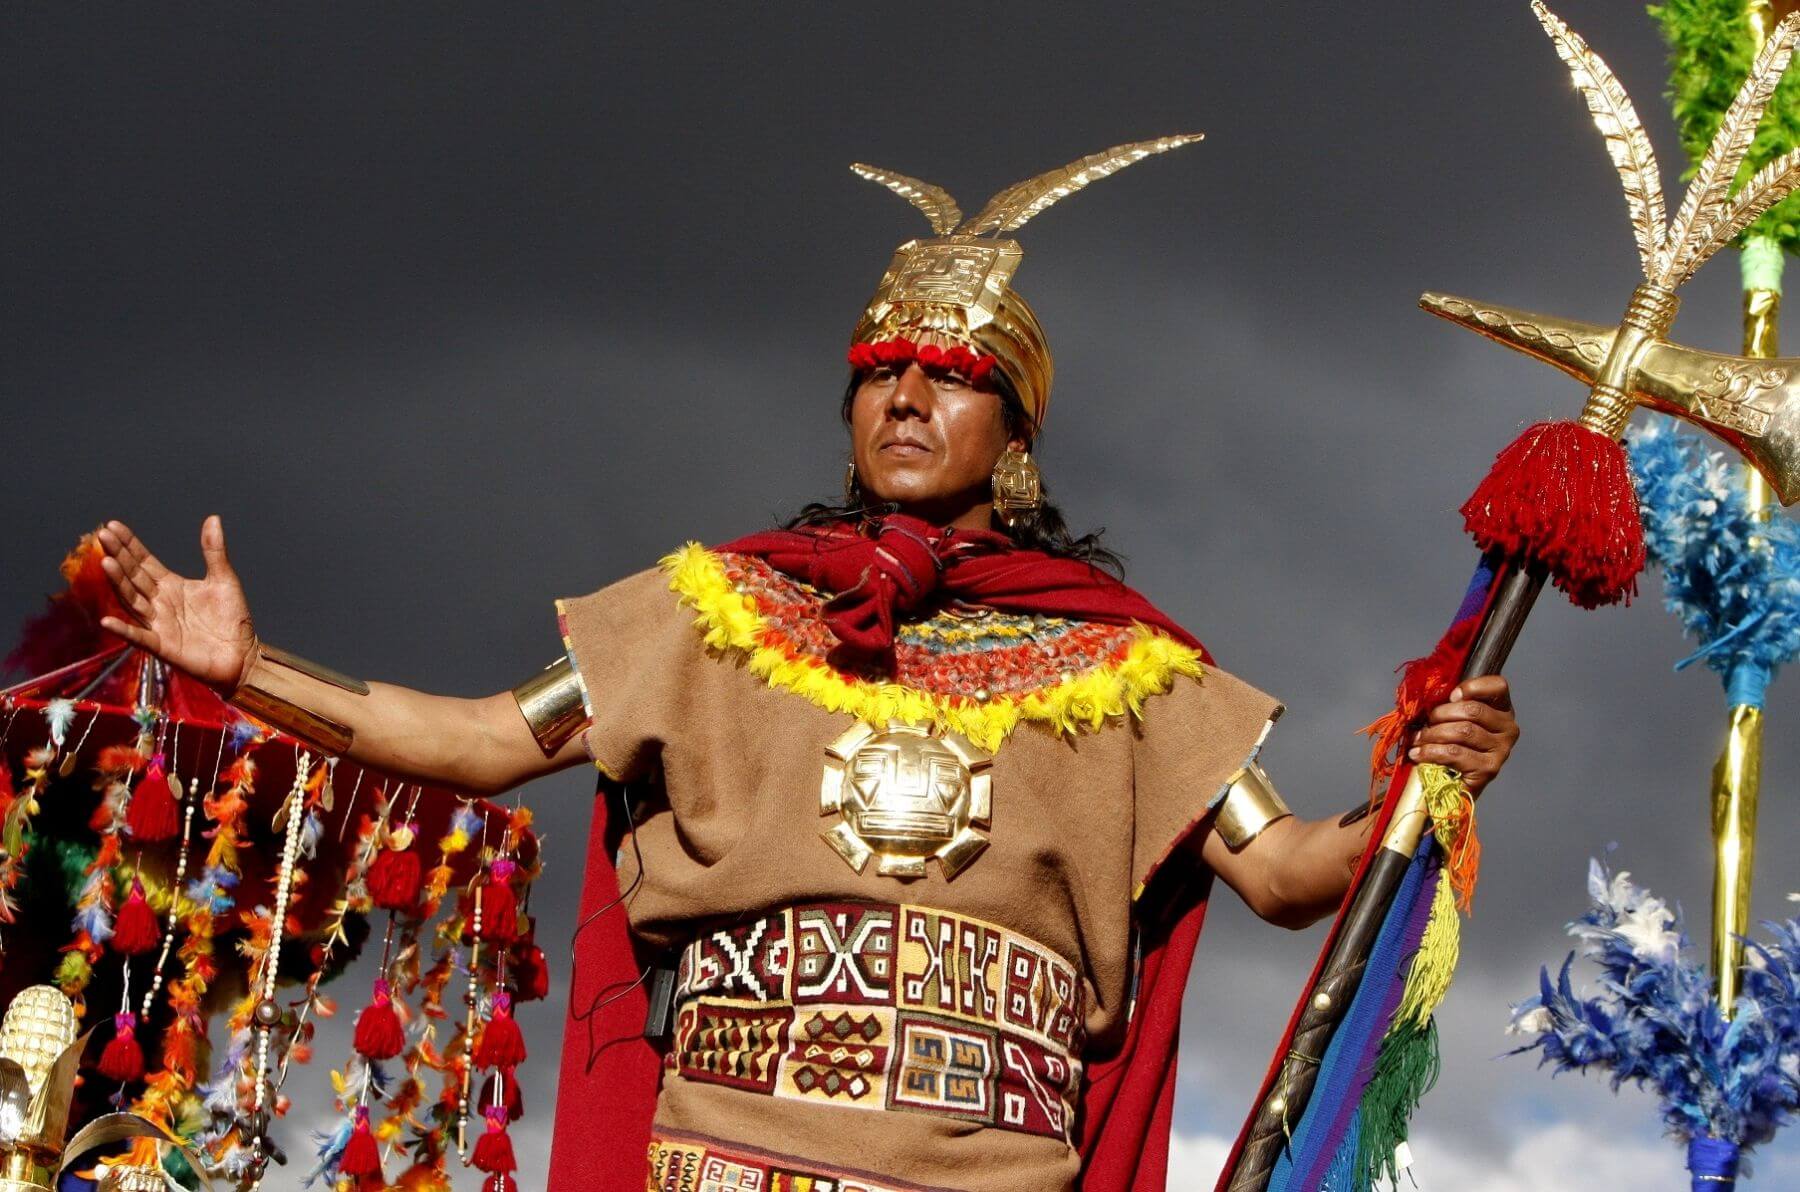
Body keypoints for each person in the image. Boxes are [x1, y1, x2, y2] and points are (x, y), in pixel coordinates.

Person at [94, 137, 1518, 1192]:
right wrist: (244, 664)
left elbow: (1285, 875)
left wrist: (1423, 778)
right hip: (727, 1156)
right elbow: (476, 740)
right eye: (881, 368)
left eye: (952, 373)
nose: (905, 392)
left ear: (1015, 434)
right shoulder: (719, 610)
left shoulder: (1127, 669)